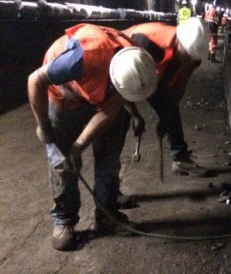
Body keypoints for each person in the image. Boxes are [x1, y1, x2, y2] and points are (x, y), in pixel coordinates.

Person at [27, 23, 158, 251]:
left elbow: (109, 111)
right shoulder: (82, 57)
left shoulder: (135, 59)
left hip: (97, 94)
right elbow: (35, 80)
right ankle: (64, 220)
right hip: (63, 96)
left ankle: (106, 214)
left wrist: (79, 147)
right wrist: (43, 125)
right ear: (115, 77)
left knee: (109, 156)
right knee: (62, 163)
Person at [123, 18, 211, 176]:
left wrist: (167, 115)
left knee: (169, 106)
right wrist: (134, 115)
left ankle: (180, 159)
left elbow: (179, 86)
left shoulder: (191, 56)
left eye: (192, 59)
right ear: (179, 42)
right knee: (117, 119)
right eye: (187, 56)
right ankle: (110, 187)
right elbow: (121, 85)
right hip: (124, 65)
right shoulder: (146, 43)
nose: (188, 61)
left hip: (156, 66)